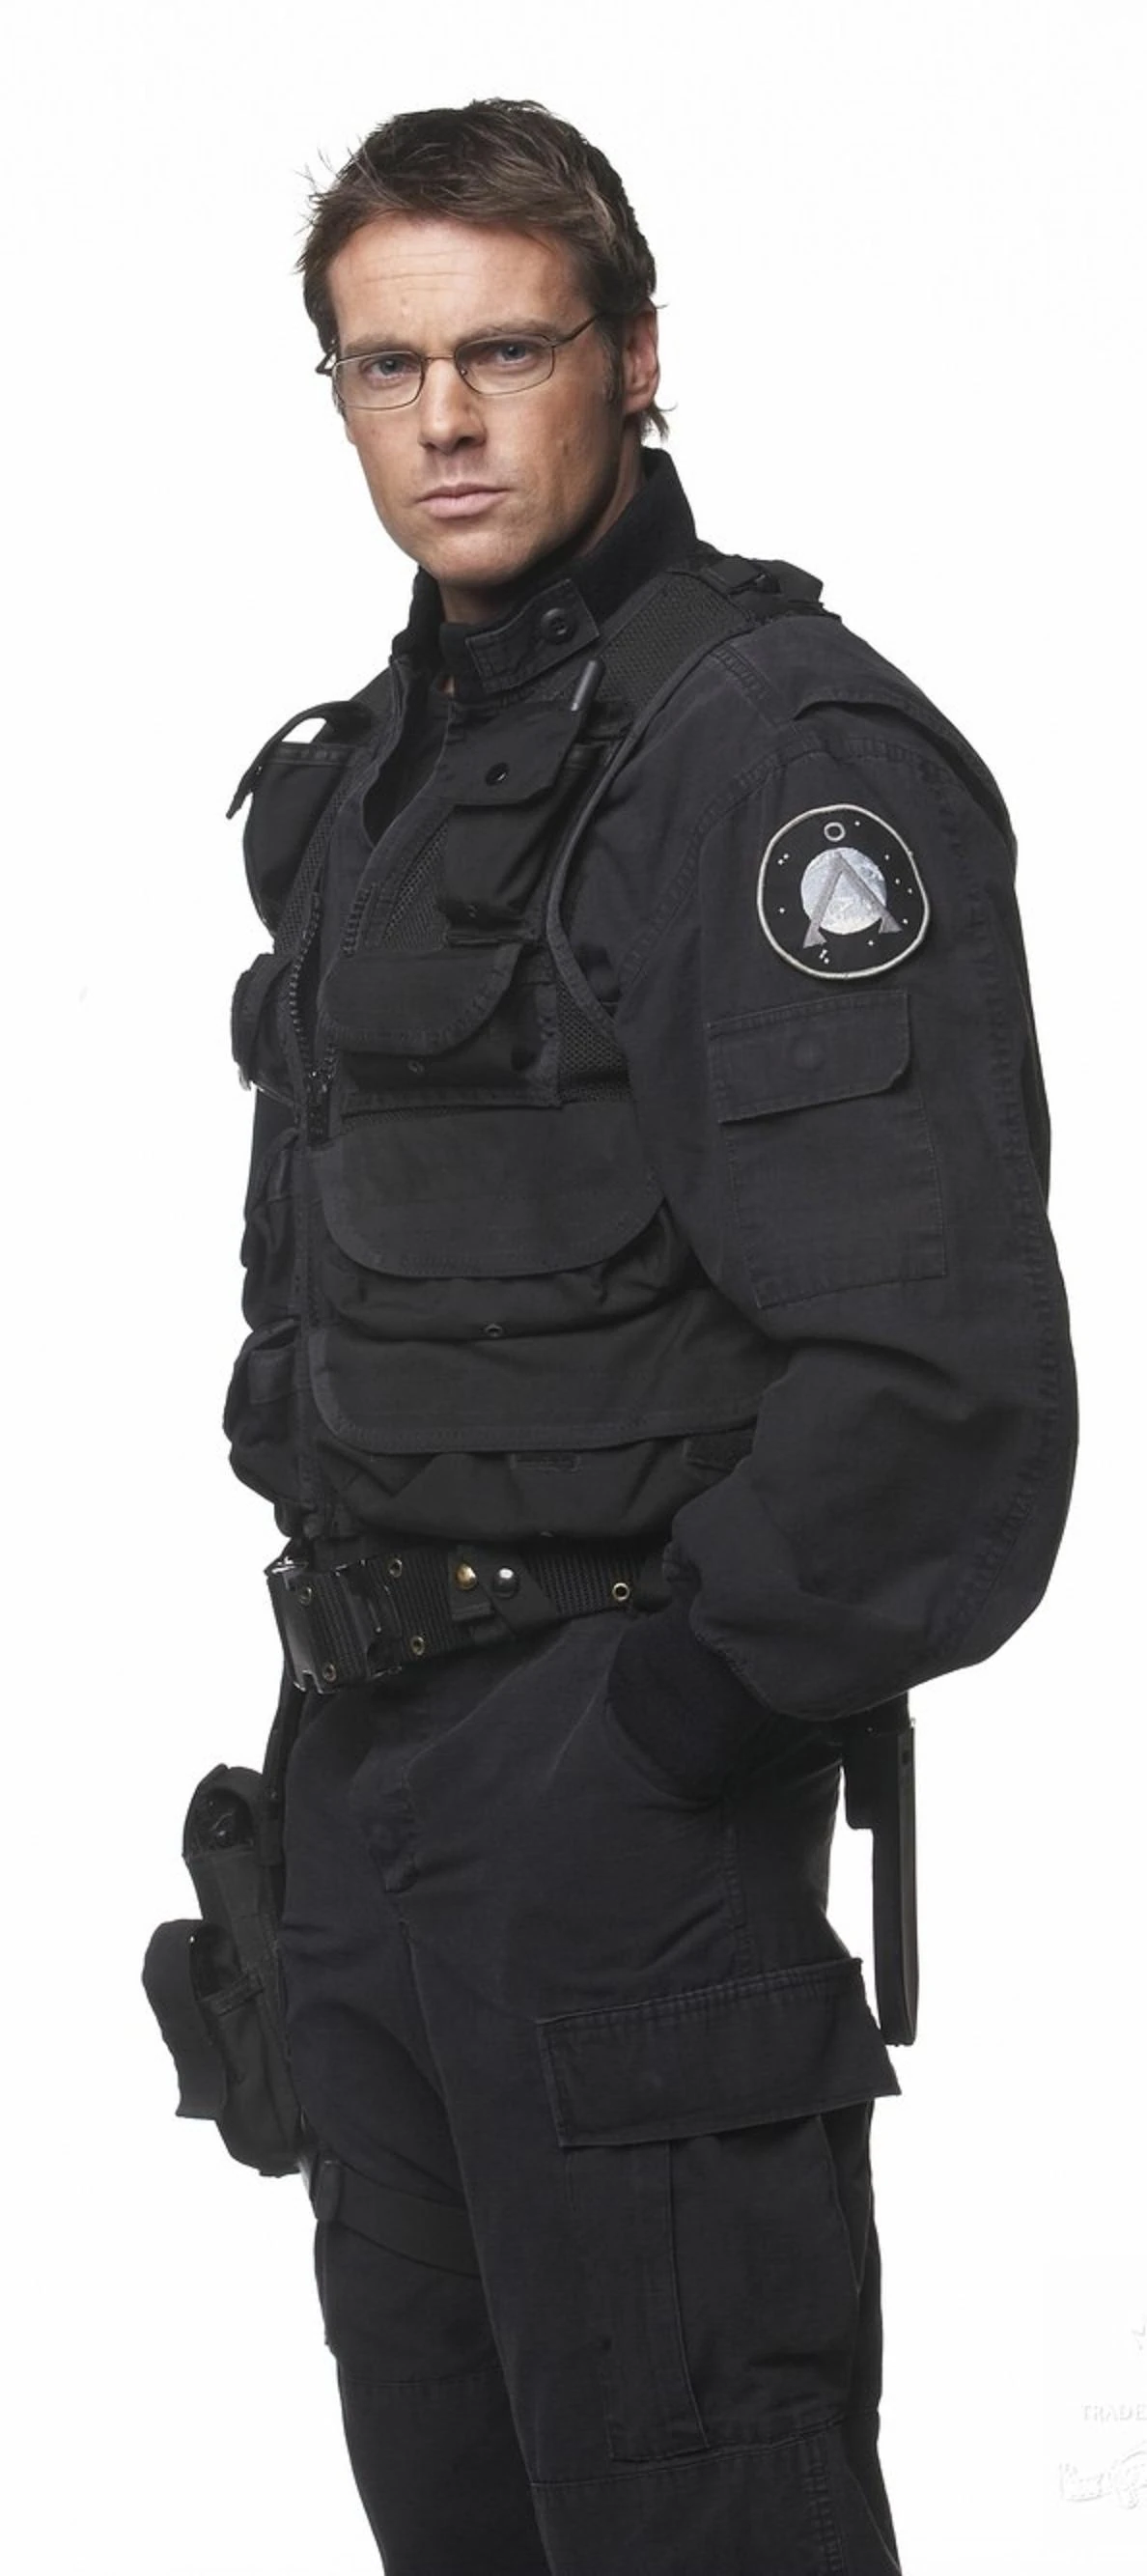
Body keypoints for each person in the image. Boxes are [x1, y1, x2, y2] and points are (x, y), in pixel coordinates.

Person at [221, 98, 1077, 2575]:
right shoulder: (386, 769)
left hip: (614, 1801)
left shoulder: (771, 755)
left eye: (505, 351)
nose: (447, 422)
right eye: (386, 368)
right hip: (369, 1781)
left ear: (636, 354)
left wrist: (662, 1738)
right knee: (460, 2518)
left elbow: (933, 1380)